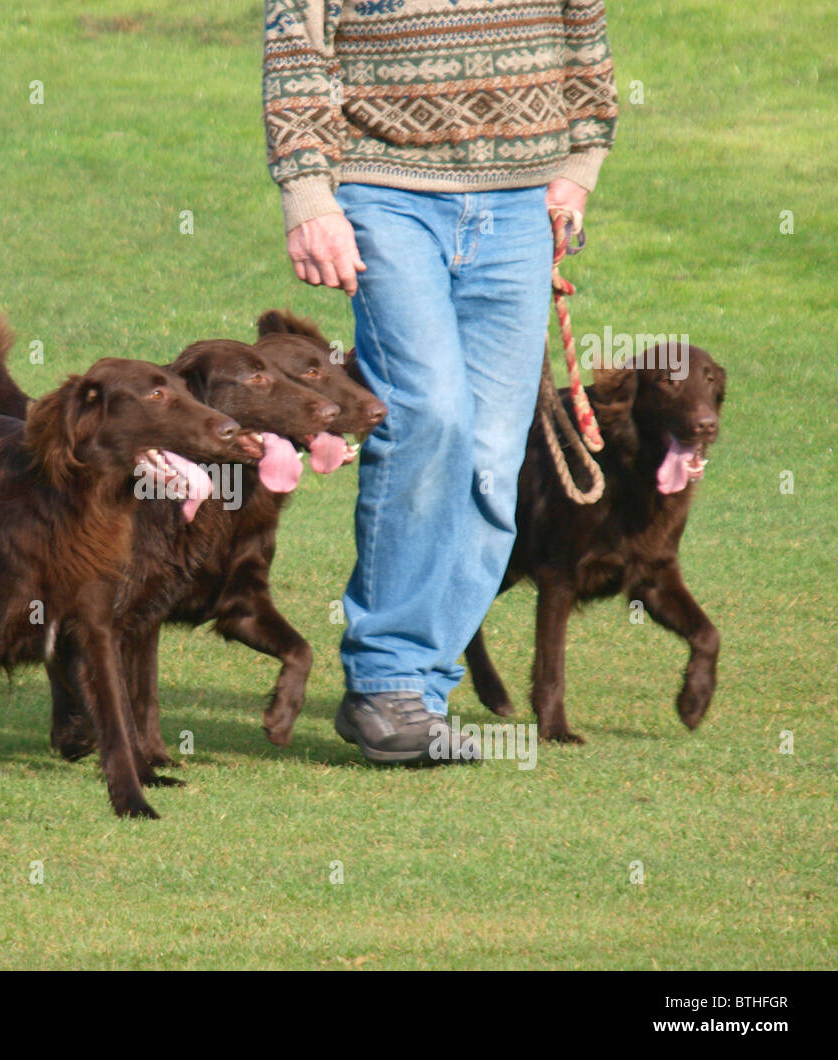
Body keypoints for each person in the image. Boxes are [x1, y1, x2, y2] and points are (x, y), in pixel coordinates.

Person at [263, 0, 618, 763]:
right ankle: (387, 680)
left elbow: (582, 28)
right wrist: (308, 194)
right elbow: (298, 40)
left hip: (522, 198)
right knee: (429, 415)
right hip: (380, 186)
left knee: (493, 452)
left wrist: (580, 165)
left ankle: (416, 693)